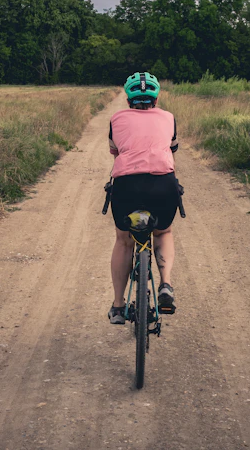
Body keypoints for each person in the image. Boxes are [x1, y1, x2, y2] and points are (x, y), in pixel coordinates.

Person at [107, 72, 181, 324]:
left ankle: (118, 306)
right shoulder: (169, 118)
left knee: (124, 240)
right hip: (163, 185)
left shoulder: (117, 118)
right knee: (163, 232)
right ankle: (166, 284)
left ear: (128, 100)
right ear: (156, 99)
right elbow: (172, 148)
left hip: (127, 186)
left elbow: (115, 151)